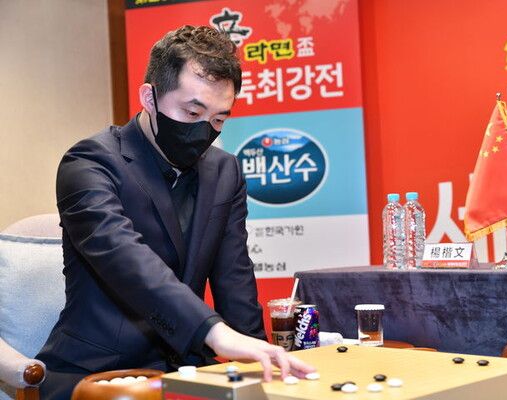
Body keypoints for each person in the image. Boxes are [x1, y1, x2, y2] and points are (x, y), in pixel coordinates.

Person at [36, 25, 314, 399]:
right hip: (98, 374)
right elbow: (126, 260)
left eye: (218, 119)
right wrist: (215, 333)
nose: (204, 130)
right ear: (149, 97)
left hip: (185, 368)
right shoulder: (90, 163)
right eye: (191, 111)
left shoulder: (224, 171)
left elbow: (233, 277)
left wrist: (262, 361)